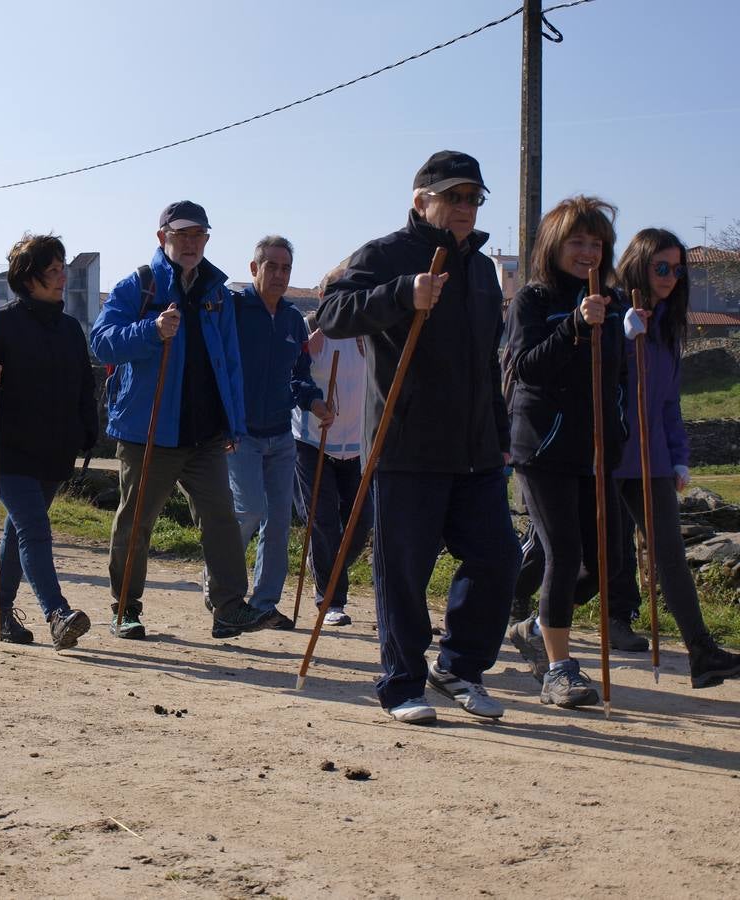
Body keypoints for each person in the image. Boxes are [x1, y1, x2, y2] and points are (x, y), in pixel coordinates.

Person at [317, 150, 521, 723]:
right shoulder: (384, 256)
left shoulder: (481, 271)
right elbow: (333, 314)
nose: (463, 207)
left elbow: (487, 362)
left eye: (472, 198)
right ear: (420, 199)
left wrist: (500, 433)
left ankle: (458, 665)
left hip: (476, 449)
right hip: (405, 445)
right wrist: (402, 294)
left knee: (498, 557)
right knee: (404, 570)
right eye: (452, 196)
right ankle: (401, 682)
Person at [90, 200, 268, 640]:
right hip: (148, 431)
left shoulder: (217, 292)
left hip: (204, 433)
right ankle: (125, 610)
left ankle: (228, 607)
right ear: (162, 237)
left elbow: (229, 362)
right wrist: (150, 331)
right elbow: (102, 342)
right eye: (182, 234)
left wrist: (234, 423)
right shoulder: (140, 286)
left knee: (222, 520)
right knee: (137, 522)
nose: (190, 244)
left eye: (198, 235)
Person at [504, 195, 628, 710]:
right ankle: (559, 669)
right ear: (554, 243)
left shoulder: (613, 300)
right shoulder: (532, 300)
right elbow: (527, 367)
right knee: (564, 551)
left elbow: (616, 377)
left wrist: (617, 431)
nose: (588, 251)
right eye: (577, 240)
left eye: (596, 242)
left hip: (596, 448)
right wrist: (575, 325)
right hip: (543, 444)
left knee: (608, 560)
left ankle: (535, 626)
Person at [0, 233, 98, 650]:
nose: (62, 276)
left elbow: (83, 388)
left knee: (18, 535)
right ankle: (56, 614)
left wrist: (87, 431)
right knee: (35, 530)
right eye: (53, 270)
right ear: (29, 277)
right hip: (7, 450)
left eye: (62, 267)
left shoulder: (71, 330)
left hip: (53, 452)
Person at [613, 228, 740, 688]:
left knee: (671, 557)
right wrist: (622, 336)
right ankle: (515, 606)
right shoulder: (610, 313)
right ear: (640, 264)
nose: (670, 276)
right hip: (602, 458)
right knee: (579, 561)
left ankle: (702, 653)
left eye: (677, 268)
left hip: (651, 461)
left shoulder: (670, 326)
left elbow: (668, 401)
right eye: (661, 267)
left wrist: (680, 456)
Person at [222, 235, 327, 628]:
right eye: (273, 266)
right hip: (241, 433)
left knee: (279, 520)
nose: (280, 275)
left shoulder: (291, 321)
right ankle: (221, 583)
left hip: (282, 434)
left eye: (286, 268)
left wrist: (314, 401)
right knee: (249, 510)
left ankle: (265, 602)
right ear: (254, 269)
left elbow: (298, 376)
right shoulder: (232, 311)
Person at [292, 304, 370, 627]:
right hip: (312, 442)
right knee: (323, 522)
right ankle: (331, 600)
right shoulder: (307, 329)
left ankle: (324, 563)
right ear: (325, 296)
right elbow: (292, 379)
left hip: (356, 446)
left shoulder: (369, 332)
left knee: (361, 523)